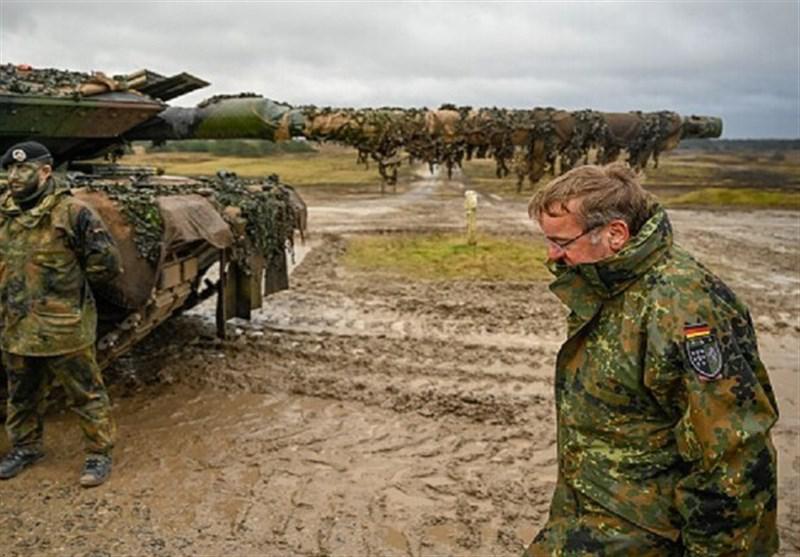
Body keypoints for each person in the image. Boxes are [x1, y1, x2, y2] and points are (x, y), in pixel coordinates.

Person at [524, 162, 778, 556]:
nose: (553, 255)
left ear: (615, 234)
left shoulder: (683, 306)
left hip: (650, 535)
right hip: (592, 519)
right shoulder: (608, 285)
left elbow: (733, 459)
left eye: (562, 242)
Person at [0, 141, 122, 487]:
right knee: (21, 394)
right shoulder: (3, 211)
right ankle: (25, 447)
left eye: (23, 169)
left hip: (64, 324)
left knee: (85, 392)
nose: (14, 176)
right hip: (15, 323)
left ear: (45, 172)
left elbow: (106, 263)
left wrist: (65, 291)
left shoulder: (73, 212)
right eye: (10, 169)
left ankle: (99, 453)